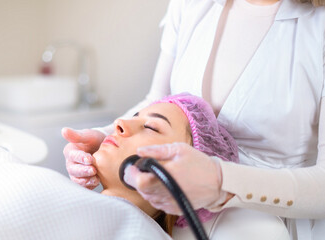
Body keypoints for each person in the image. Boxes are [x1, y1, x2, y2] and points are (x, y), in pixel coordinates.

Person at [62, 0, 325, 238]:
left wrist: (222, 183)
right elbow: (156, 100)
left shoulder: (318, 26)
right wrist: (106, 136)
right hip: (176, 216)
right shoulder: (191, 4)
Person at [0, 94, 238, 239]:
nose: (119, 123)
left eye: (153, 128)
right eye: (135, 115)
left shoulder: (138, 232)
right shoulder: (77, 200)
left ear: (182, 181)